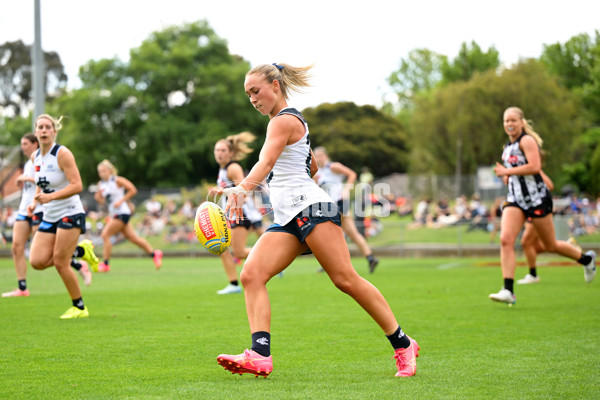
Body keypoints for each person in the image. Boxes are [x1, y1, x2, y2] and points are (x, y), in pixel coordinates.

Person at [214, 63, 419, 378]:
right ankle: (259, 354)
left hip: (312, 210)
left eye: (256, 91)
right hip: (287, 217)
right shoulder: (288, 122)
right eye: (248, 95)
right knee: (251, 275)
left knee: (344, 279)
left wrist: (242, 189)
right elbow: (309, 170)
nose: (252, 99)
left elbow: (266, 160)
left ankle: (404, 343)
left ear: (275, 85)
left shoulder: (282, 120)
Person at [490, 106, 596, 304]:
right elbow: (513, 173)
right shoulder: (506, 148)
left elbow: (534, 167)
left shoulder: (527, 141)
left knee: (550, 245)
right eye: (506, 121)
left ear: (521, 122)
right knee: (505, 239)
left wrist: (508, 173)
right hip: (515, 200)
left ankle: (586, 260)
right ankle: (508, 290)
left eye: (513, 120)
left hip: (537, 200)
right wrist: (506, 177)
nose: (510, 124)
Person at [26, 114, 100, 318]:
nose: (43, 131)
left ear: (54, 131)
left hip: (70, 212)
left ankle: (79, 307)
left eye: (47, 127)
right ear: (35, 132)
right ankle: (80, 251)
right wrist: (34, 202)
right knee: (37, 261)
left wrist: (52, 198)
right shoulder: (35, 157)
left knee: (60, 262)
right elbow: (40, 185)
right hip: (50, 215)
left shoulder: (62, 154)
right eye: (40, 127)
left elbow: (77, 185)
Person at [209, 132, 265, 294]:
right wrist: (219, 193)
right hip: (232, 213)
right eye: (217, 150)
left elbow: (243, 191)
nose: (219, 153)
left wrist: (222, 192)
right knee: (223, 248)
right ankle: (233, 284)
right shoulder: (222, 170)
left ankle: (271, 259)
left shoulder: (233, 168)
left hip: (241, 213)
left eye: (223, 151)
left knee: (239, 252)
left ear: (231, 153)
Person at [313, 146, 379, 273]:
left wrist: (346, 190)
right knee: (351, 233)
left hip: (339, 203)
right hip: (330, 205)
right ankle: (370, 257)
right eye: (317, 155)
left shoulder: (333, 166)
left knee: (328, 232)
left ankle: (329, 262)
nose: (318, 158)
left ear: (326, 155)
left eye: (320, 155)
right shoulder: (319, 172)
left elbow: (352, 174)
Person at [94, 159, 163, 272]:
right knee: (134, 239)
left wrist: (121, 201)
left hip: (122, 213)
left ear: (110, 170)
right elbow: (101, 200)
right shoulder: (101, 184)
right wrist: (98, 196)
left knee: (105, 235)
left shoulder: (117, 180)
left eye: (104, 170)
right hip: (115, 214)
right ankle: (155, 254)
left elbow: (132, 190)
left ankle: (106, 264)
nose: (102, 173)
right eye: (100, 171)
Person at [517, 171, 583, 284]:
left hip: (537, 209)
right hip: (530, 209)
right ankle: (568, 246)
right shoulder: (518, 168)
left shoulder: (532, 168)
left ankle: (533, 275)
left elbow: (549, 185)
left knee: (526, 242)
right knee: (539, 247)